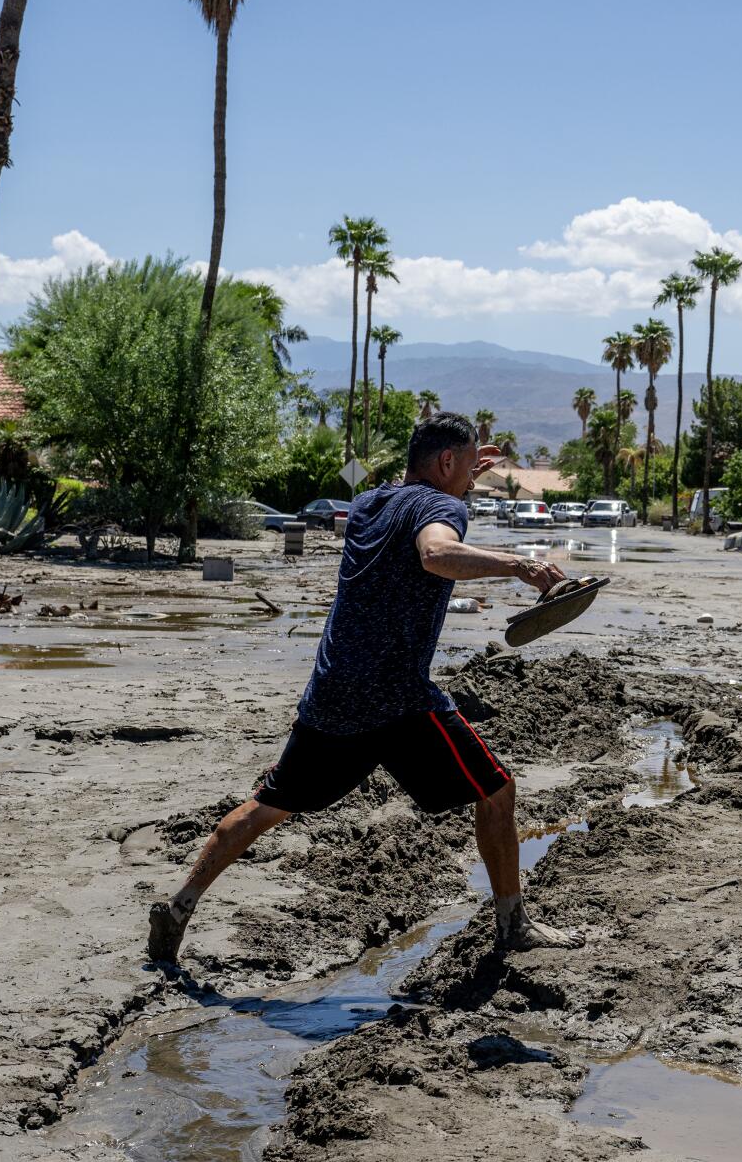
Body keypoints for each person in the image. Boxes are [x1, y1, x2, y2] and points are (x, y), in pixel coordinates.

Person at [148, 411, 581, 964]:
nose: (473, 476)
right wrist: (517, 565)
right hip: (396, 699)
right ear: (447, 462)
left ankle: (179, 906)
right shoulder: (440, 508)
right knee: (497, 793)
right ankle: (512, 924)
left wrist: (465, 472)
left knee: (268, 804)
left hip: (333, 691)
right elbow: (436, 553)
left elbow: (417, 514)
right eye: (468, 465)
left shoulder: (373, 502)